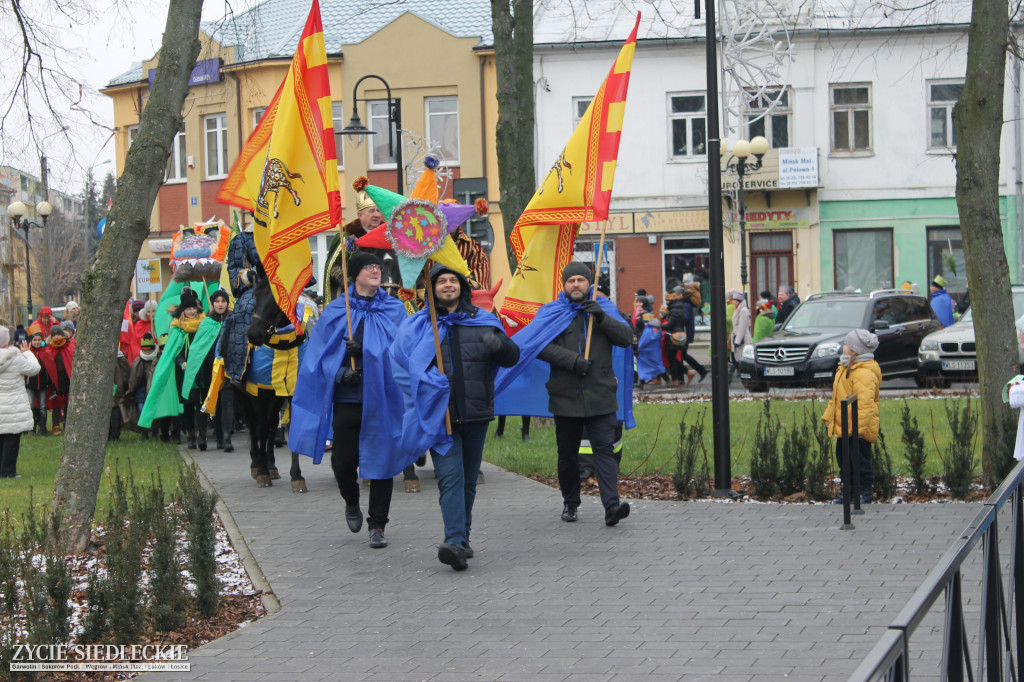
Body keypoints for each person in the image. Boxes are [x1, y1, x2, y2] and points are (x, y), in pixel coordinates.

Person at [390, 264, 519, 570]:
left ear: (463, 287)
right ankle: (454, 542)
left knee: (469, 481)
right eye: (441, 281)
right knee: (451, 478)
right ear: (432, 290)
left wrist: (498, 343)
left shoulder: (483, 321)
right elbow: (402, 366)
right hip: (439, 416)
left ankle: (464, 536)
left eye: (453, 281)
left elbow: (512, 357)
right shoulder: (420, 326)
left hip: (475, 412)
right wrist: (429, 386)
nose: (448, 285)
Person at [290, 252, 408, 549]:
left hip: (382, 397)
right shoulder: (335, 310)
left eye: (378, 267)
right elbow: (317, 356)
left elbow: (402, 355)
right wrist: (342, 373)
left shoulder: (394, 309)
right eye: (369, 267)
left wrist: (366, 350)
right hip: (349, 398)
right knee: (343, 463)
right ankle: (351, 501)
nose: (375, 271)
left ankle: (378, 524)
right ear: (354, 274)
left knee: (383, 461)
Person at [534, 262, 634, 526]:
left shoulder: (604, 310)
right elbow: (539, 345)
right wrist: (572, 360)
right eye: (571, 280)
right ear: (564, 285)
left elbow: (626, 338)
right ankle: (570, 502)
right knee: (567, 454)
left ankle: (612, 506)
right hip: (565, 396)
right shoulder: (551, 312)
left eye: (581, 280)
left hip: (600, 395)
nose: (576, 284)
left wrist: (602, 318)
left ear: (590, 283)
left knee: (604, 449)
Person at [823, 329, 881, 504]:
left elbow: (865, 404)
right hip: (844, 426)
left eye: (846, 344)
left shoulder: (864, 372)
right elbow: (837, 397)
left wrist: (860, 429)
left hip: (857, 429)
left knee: (860, 461)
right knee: (844, 460)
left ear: (855, 351)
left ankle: (863, 491)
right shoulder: (845, 367)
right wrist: (828, 417)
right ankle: (847, 491)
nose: (843, 346)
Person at [182, 289, 232, 451]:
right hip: (207, 371)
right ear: (212, 303)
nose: (220, 304)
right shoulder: (206, 322)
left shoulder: (232, 320)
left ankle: (223, 436)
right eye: (217, 301)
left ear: (227, 303)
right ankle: (202, 435)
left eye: (223, 301)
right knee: (204, 403)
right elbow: (197, 348)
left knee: (223, 404)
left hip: (227, 370)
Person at [0, 327, 41, 478]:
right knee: (12, 438)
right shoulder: (15, 359)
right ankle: (8, 472)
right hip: (13, 405)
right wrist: (27, 353)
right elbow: (35, 368)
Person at [38, 325, 73, 434]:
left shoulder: (69, 347)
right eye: (54, 335)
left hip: (67, 379)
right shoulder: (49, 350)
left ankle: (67, 424)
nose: (57, 337)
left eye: (59, 335)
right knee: (56, 404)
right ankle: (55, 425)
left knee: (68, 403)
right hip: (55, 381)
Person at [127, 333, 159, 439]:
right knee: (141, 409)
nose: (147, 352)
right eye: (145, 351)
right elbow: (133, 379)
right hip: (141, 390)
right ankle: (144, 431)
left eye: (149, 351)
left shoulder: (156, 361)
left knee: (153, 411)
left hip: (153, 390)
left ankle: (154, 429)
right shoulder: (138, 362)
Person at [24, 333, 48, 434]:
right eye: (35, 340)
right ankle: (31, 428)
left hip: (43, 384)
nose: (37, 342)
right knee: (31, 405)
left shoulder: (45, 352)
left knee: (42, 406)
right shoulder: (27, 353)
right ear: (31, 341)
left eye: (39, 340)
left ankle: (42, 428)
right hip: (30, 384)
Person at [730, 290, 752, 370]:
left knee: (739, 358)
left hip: (742, 338)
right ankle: (734, 374)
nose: (733, 301)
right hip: (736, 337)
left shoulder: (743, 310)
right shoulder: (737, 309)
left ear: (738, 301)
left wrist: (737, 341)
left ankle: (732, 375)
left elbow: (742, 327)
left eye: (734, 300)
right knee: (735, 358)